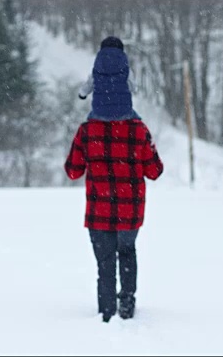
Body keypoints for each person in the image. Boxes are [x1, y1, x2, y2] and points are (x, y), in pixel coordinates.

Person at [64, 36, 164, 323]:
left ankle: (105, 310)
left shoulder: (87, 131)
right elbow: (155, 171)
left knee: (105, 262)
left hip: (98, 211)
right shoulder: (138, 130)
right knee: (127, 251)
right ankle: (127, 304)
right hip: (130, 210)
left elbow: (73, 170)